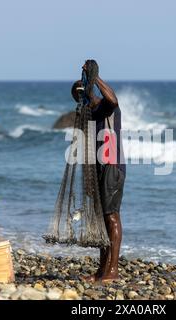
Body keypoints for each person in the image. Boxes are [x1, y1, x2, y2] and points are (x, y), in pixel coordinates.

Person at [71, 60, 126, 283]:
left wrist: (94, 78)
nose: (80, 99)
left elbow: (113, 99)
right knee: (102, 222)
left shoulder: (105, 106)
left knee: (111, 217)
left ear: (90, 91)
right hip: (99, 170)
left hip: (113, 166)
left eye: (82, 93)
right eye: (77, 97)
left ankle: (113, 271)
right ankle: (102, 271)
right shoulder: (90, 114)